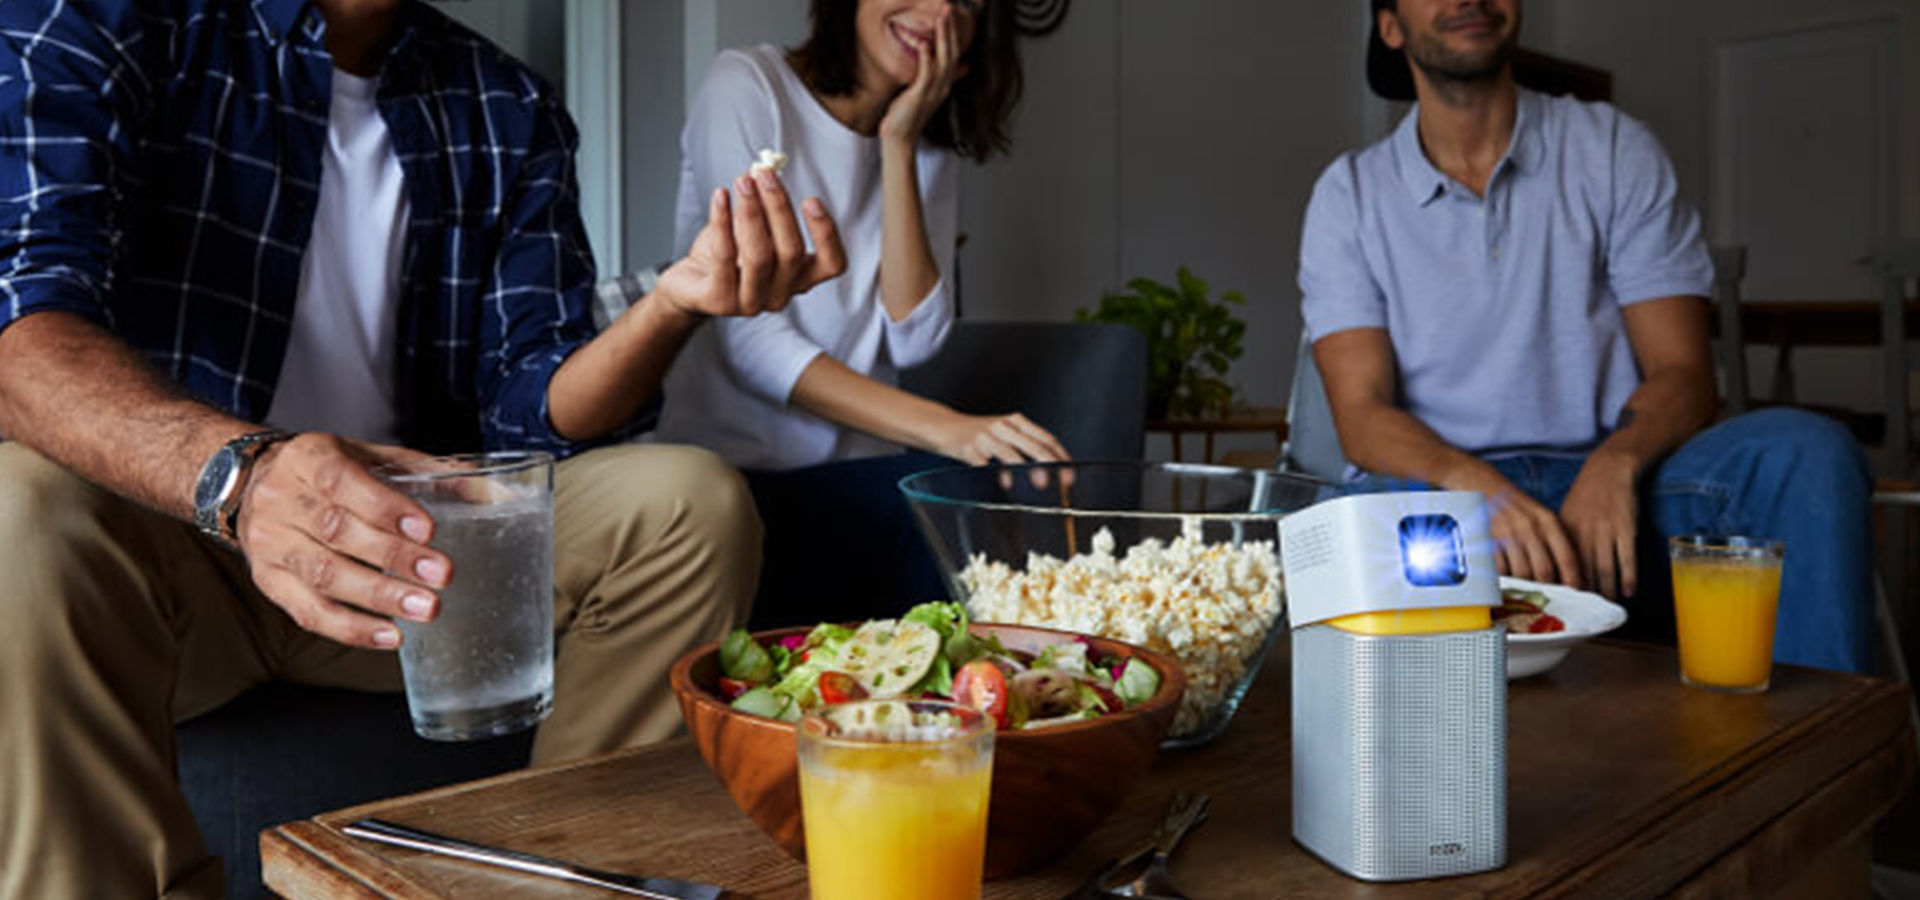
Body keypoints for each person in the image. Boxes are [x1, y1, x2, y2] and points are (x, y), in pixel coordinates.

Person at [0, 1, 846, 897]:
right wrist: (245, 481)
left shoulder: (503, 99)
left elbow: (532, 409)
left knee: (685, 500)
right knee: (18, 506)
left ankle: (560, 881)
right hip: (171, 549)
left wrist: (673, 306)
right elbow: (21, 330)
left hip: (406, 559)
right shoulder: (93, 20)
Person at [1299, 0, 1873, 672]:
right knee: (1356, 517)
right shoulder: (1350, 195)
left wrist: (1619, 462)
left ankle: (1828, 761)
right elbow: (1362, 417)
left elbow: (1686, 374)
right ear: (1390, 26)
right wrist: (1476, 488)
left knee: (1805, 451)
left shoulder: (1612, 148)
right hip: (1448, 501)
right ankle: (1410, 751)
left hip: (1625, 485)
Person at [652, 0, 1070, 627]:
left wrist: (897, 144)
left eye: (967, 3)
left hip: (859, 479)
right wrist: (948, 428)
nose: (937, 12)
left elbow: (915, 338)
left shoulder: (924, 143)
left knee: (981, 497)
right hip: (733, 487)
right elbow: (752, 343)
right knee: (943, 491)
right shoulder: (746, 85)